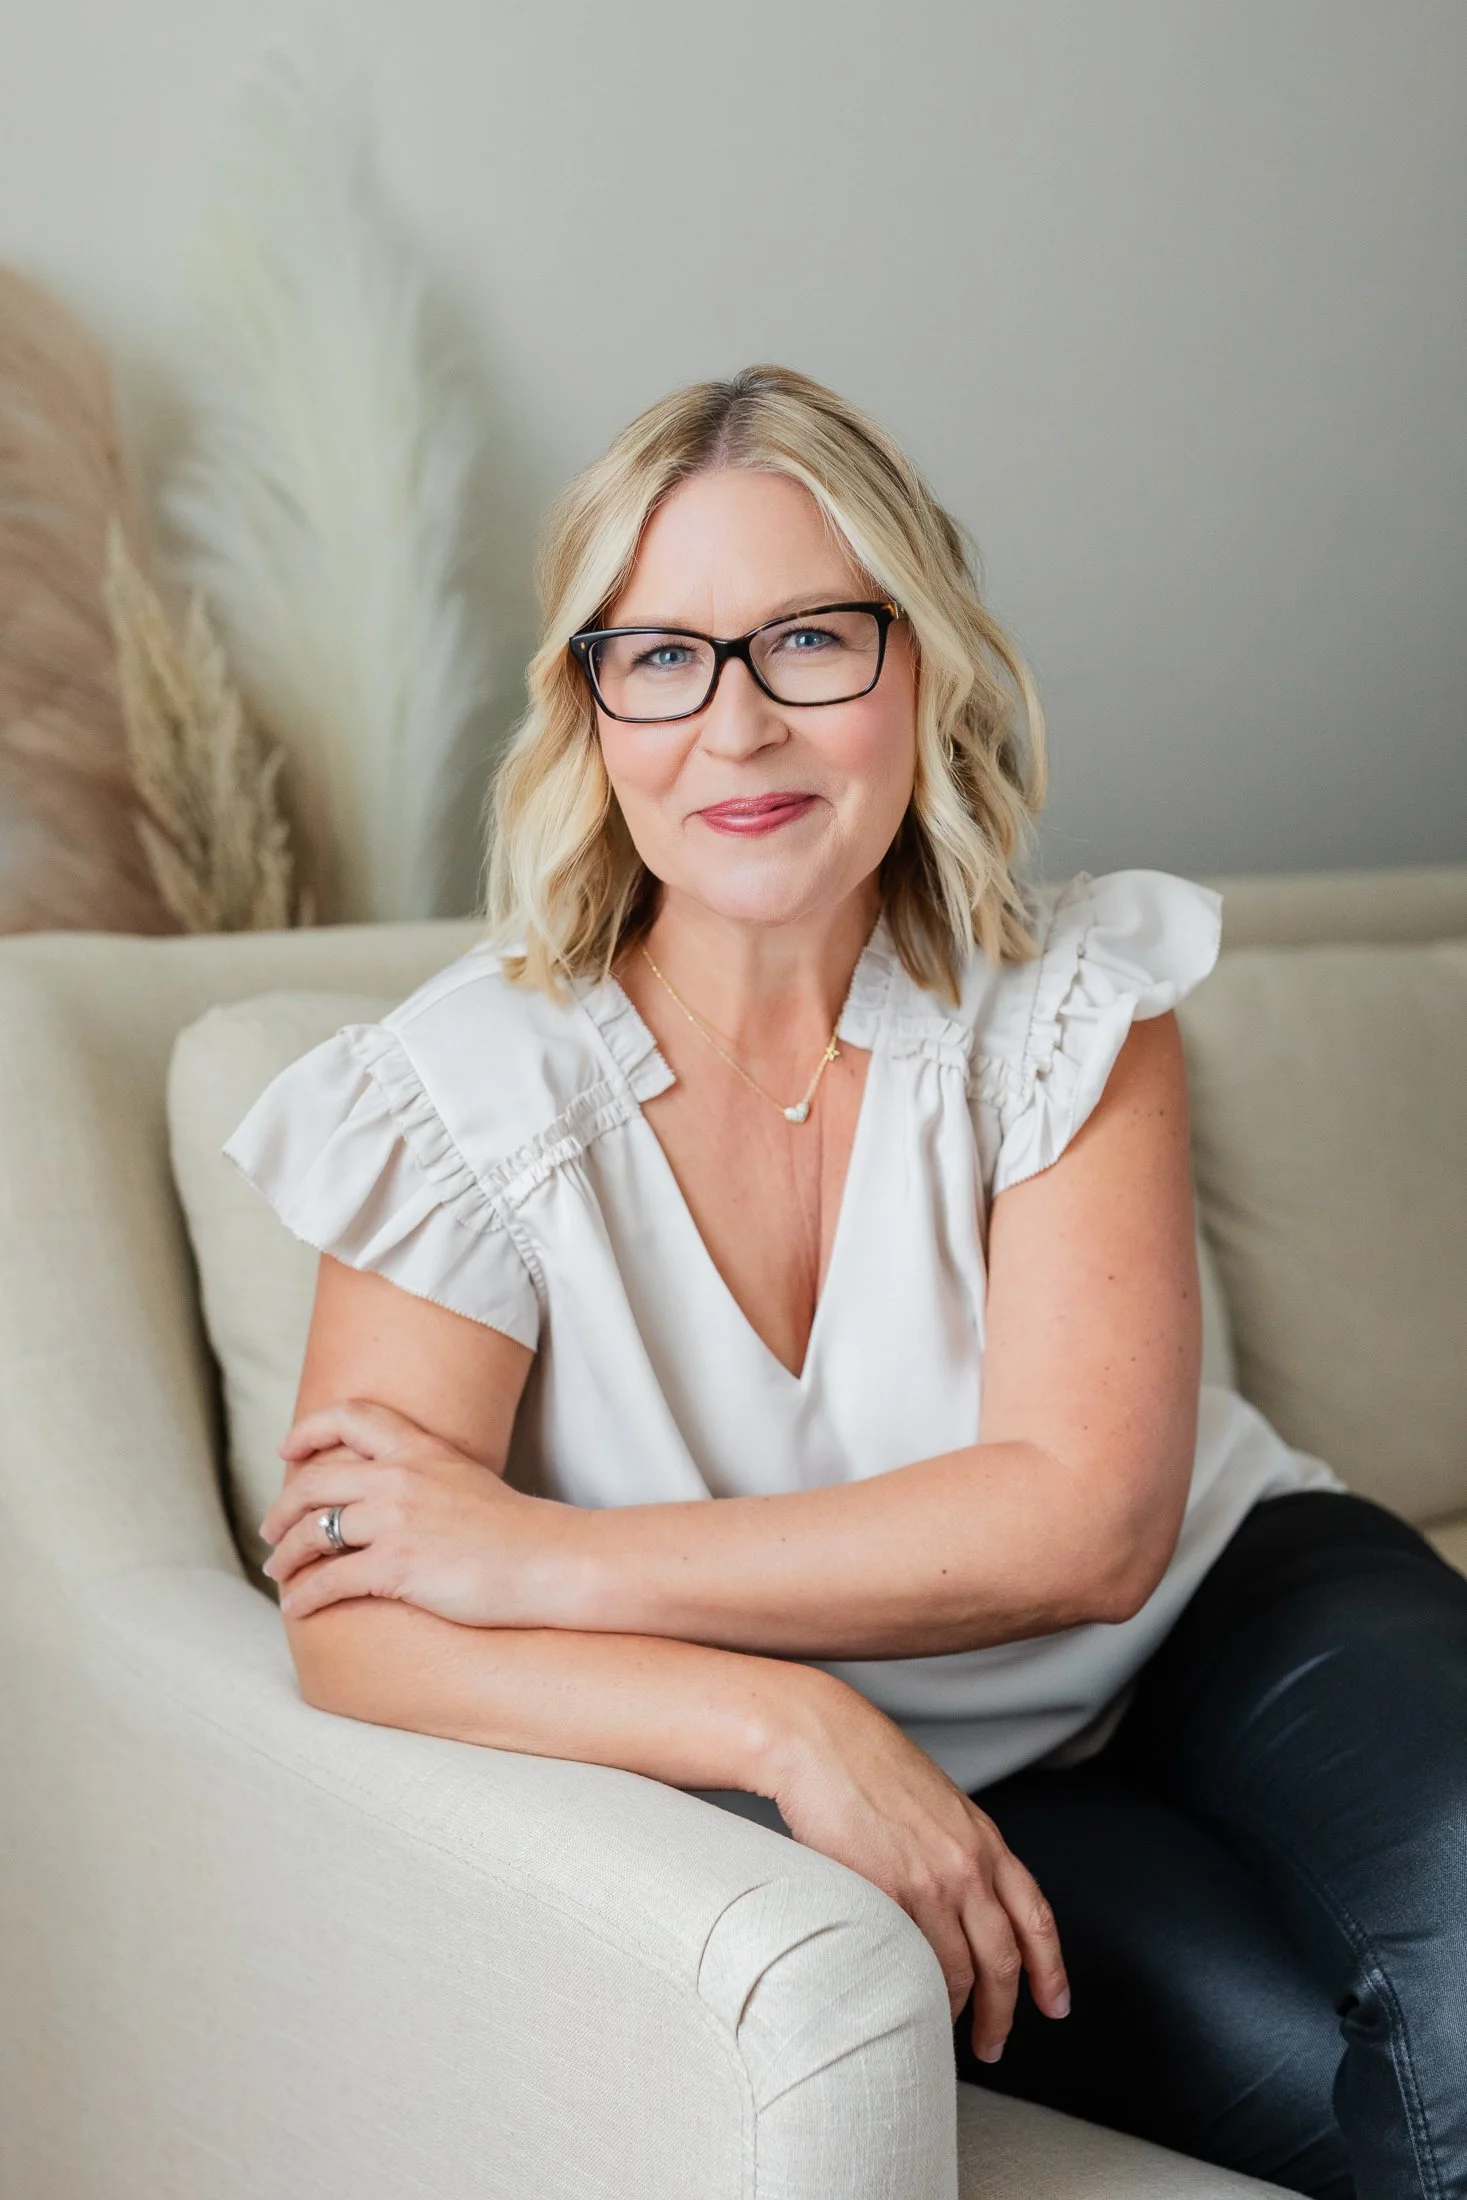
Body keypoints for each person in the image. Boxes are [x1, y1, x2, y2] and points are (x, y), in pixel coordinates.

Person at [228, 365, 1467, 2200]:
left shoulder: (1062, 1004)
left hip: (1235, 1610)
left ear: (921, 665)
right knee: (1385, 2112)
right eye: (657, 655)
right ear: (590, 707)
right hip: (922, 1777)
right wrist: (778, 1716)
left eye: (808, 640)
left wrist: (544, 1559)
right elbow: (353, 1625)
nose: (734, 728)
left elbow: (1087, 1528)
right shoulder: (459, 1102)